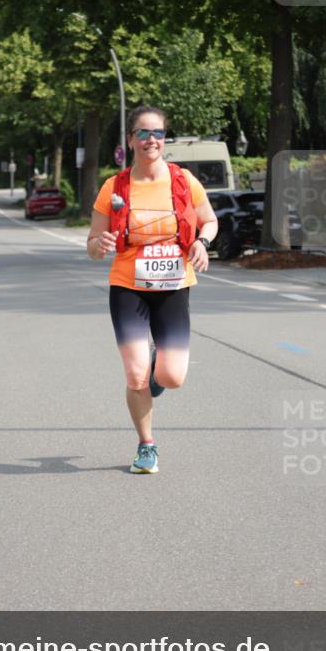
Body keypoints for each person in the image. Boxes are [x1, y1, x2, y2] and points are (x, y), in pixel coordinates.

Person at [87, 106, 218, 475]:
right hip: (128, 286)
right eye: (143, 133)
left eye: (157, 133)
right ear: (130, 140)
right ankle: (147, 445)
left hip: (174, 285)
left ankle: (156, 372)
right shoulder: (114, 187)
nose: (151, 140)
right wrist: (101, 245)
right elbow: (93, 242)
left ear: (165, 139)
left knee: (172, 377)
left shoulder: (183, 181)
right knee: (135, 375)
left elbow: (209, 220)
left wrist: (202, 243)